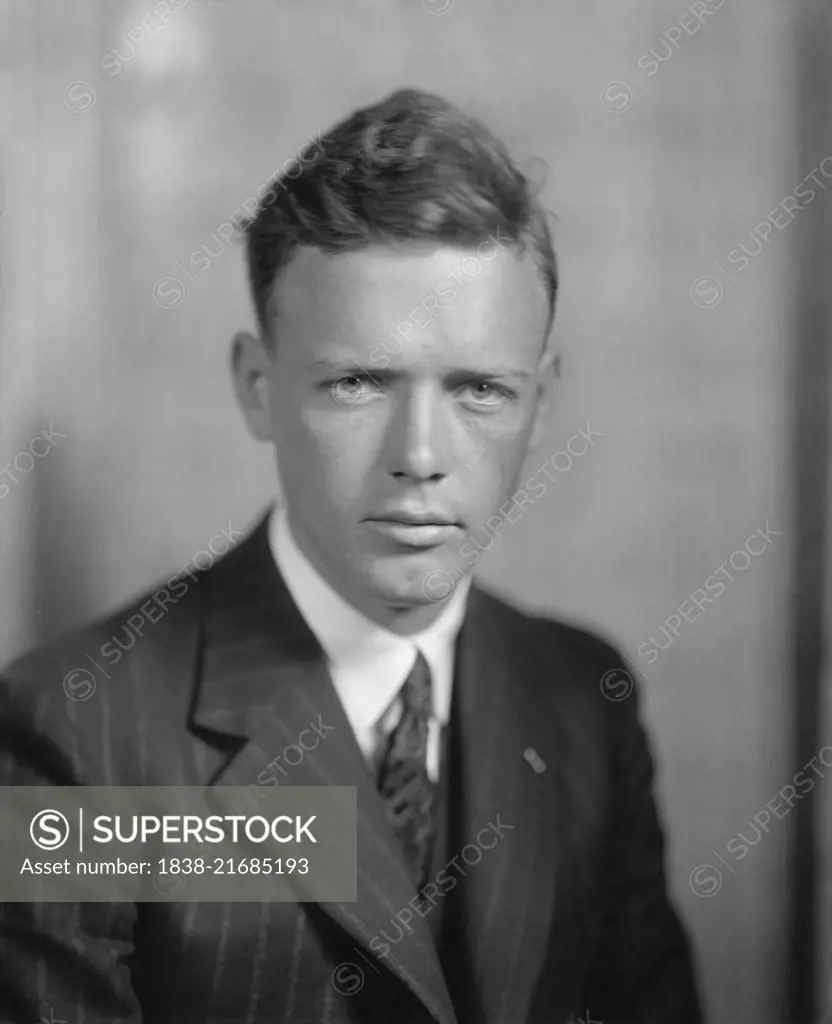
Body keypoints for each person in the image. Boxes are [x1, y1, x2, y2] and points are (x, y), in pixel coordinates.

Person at [0, 88, 702, 1024]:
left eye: (480, 389)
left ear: (544, 403)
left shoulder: (585, 696)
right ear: (258, 386)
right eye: (358, 382)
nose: (419, 455)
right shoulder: (72, 735)